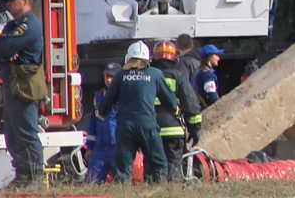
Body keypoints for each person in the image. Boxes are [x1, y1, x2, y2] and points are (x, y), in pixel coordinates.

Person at [0, 0, 45, 187]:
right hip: (14, 85)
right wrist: (3, 54)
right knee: (12, 132)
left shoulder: (28, 26)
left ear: (26, 1)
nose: (9, 4)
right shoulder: (13, 26)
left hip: (24, 86)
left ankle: (35, 175)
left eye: (13, 0)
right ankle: (22, 174)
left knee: (26, 130)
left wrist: (5, 53)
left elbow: (3, 48)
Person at [99, 41, 176, 182]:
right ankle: (160, 194)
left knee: (123, 169)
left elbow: (107, 101)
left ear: (128, 57)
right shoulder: (155, 74)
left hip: (125, 126)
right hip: (148, 125)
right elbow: (170, 102)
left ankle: (122, 197)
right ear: (148, 58)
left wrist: (101, 112)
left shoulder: (121, 75)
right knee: (158, 164)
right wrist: (175, 109)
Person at [150, 39, 204, 179]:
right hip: (174, 132)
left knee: (153, 169)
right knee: (173, 168)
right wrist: (195, 130)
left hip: (150, 132)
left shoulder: (147, 77)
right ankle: (171, 196)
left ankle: (152, 196)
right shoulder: (179, 77)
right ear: (175, 58)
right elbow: (191, 106)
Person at [82, 64, 120, 183]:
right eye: (107, 76)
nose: (109, 80)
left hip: (118, 148)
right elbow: (93, 123)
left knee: (123, 184)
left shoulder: (125, 95)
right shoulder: (98, 97)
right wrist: (90, 147)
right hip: (100, 149)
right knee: (91, 183)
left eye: (112, 76)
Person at [192, 43, 223, 109]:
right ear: (210, 57)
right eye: (216, 55)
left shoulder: (196, 72)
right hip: (205, 110)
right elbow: (212, 96)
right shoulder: (207, 74)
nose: (219, 58)